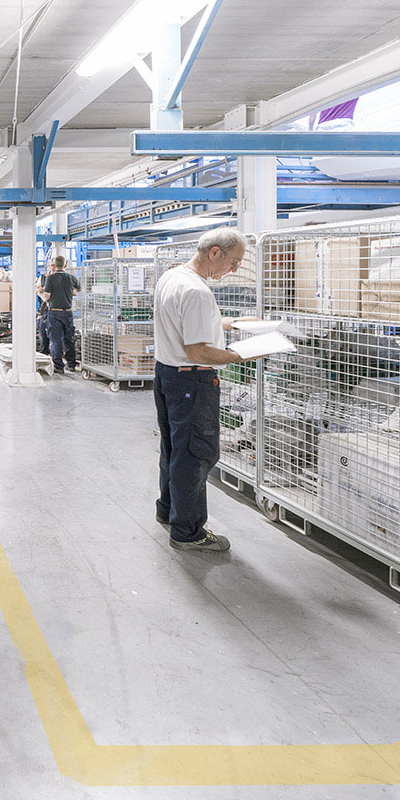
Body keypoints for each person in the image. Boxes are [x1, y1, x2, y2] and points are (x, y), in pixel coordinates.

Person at [152, 226, 248, 554]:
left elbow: (181, 322)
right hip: (192, 380)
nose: (234, 270)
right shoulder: (197, 292)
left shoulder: (173, 277)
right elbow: (198, 351)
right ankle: (188, 531)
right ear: (215, 253)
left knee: (175, 448)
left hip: (167, 374)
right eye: (233, 263)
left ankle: (168, 510)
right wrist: (243, 354)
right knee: (197, 453)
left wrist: (228, 323)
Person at [38, 256, 80, 374]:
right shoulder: (71, 278)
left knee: (56, 340)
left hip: (54, 312)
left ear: (53, 265)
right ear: (65, 265)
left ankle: (58, 366)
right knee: (69, 339)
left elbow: (47, 296)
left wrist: (41, 292)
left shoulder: (50, 278)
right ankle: (71, 364)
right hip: (68, 312)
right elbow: (76, 291)